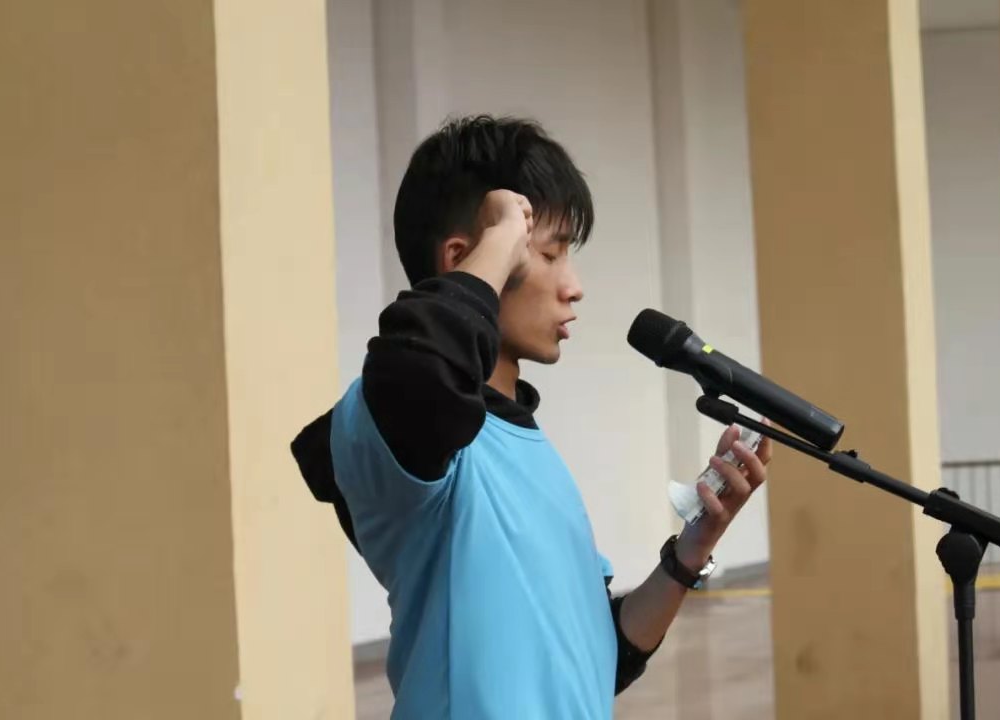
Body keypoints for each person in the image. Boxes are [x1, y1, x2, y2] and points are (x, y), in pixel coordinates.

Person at [292, 115, 771, 719]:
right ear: (468, 257)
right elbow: (418, 370)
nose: (574, 286)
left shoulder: (526, 446)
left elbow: (600, 658)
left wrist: (690, 551)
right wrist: (498, 241)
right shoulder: (398, 425)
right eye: (548, 252)